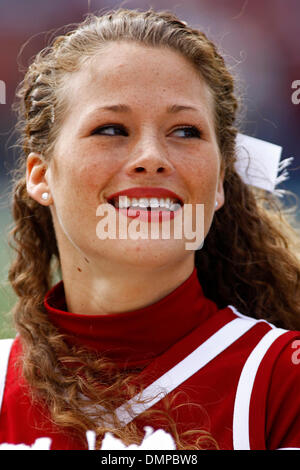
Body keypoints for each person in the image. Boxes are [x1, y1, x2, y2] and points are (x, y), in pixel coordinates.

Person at [0, 8, 300, 450]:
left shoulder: (282, 381)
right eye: (111, 129)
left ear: (219, 182)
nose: (151, 156)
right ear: (41, 177)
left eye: (184, 131)